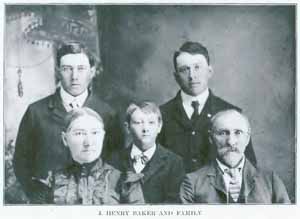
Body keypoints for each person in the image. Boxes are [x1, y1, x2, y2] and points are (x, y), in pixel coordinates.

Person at [13, 41, 121, 203]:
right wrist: (37, 195)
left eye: (81, 69)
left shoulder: (108, 114)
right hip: (49, 204)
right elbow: (21, 161)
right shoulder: (36, 112)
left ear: (92, 71)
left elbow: (116, 160)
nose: (74, 76)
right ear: (58, 71)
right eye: (67, 69)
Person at [159, 41, 257, 173]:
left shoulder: (231, 113)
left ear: (209, 71)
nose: (192, 76)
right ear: (176, 76)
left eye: (197, 67)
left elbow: (249, 171)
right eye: (184, 70)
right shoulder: (161, 114)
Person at [179, 110, 290, 204]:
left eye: (238, 132)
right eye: (222, 133)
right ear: (211, 138)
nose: (231, 142)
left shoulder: (270, 180)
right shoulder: (192, 183)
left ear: (247, 139)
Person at [30, 108, 122, 204]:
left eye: (95, 133)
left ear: (103, 136)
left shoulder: (121, 179)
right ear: (65, 139)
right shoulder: (52, 181)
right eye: (79, 133)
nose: (88, 142)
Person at [111, 101, 185, 203]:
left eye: (151, 123)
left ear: (159, 127)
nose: (145, 129)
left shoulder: (174, 163)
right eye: (138, 123)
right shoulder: (114, 160)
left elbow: (174, 203)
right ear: (127, 127)